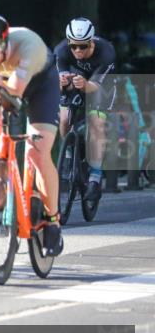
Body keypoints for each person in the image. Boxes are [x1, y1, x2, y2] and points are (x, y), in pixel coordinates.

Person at [0, 14, 63, 256]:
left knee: (37, 153)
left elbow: (16, 94)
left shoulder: (29, 45)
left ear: (5, 43)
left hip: (40, 85)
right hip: (3, 84)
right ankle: (2, 172)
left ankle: (53, 221)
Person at [54, 17, 116, 202]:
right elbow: (55, 83)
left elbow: (95, 87)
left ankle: (95, 179)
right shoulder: (61, 51)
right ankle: (68, 155)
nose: (78, 51)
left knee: (97, 123)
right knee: (64, 119)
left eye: (83, 46)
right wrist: (61, 82)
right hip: (77, 81)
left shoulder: (106, 52)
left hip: (100, 86)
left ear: (91, 41)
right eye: (74, 46)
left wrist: (84, 84)